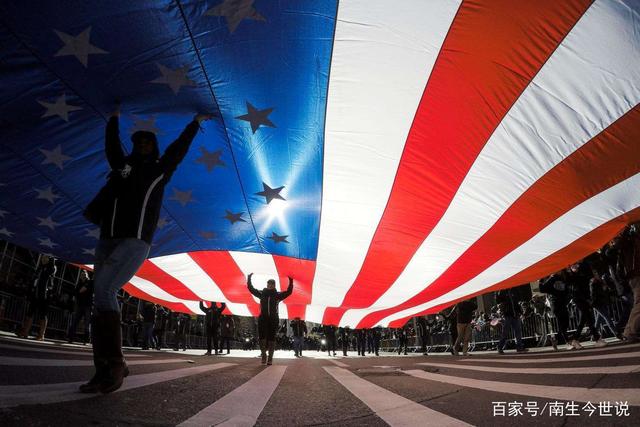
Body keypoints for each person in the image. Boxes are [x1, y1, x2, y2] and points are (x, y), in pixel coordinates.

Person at [78, 102, 214, 393]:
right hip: (107, 238)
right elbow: (112, 148)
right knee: (99, 299)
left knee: (105, 290)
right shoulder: (123, 168)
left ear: (154, 147)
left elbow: (177, 150)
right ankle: (102, 369)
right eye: (138, 142)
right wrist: (113, 117)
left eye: (147, 142)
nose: (142, 145)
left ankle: (116, 364)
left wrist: (195, 123)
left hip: (135, 239)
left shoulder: (159, 171)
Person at [247, 273, 294, 365]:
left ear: (274, 286)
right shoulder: (262, 294)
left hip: (273, 319)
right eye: (269, 284)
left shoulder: (277, 295)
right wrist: (249, 278)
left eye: (272, 284)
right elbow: (251, 289)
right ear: (267, 285)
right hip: (262, 319)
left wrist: (290, 281)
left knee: (272, 338)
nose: (270, 286)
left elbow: (289, 292)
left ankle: (270, 358)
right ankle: (264, 355)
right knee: (262, 337)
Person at [17, 255, 56, 340]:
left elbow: (49, 280)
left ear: (49, 259)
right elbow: (34, 280)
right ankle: (25, 332)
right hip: (35, 294)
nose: (43, 259)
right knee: (30, 313)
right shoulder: (40, 268)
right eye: (42, 257)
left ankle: (41, 334)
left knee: (43, 315)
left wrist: (50, 262)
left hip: (44, 296)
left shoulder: (51, 269)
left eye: (45, 258)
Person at [496, 287, 527, 353]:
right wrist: (497, 293)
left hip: (515, 315)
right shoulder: (502, 291)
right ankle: (500, 347)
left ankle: (519, 347)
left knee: (518, 331)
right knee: (505, 332)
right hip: (507, 315)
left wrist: (521, 313)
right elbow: (498, 301)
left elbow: (516, 304)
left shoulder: (514, 290)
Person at [67, 270, 94, 344]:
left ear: (87, 275)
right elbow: (76, 292)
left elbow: (81, 291)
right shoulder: (79, 283)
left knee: (87, 323)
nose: (83, 275)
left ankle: (86, 340)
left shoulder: (90, 282)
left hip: (88, 305)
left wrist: (78, 292)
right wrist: (78, 292)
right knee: (75, 321)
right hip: (80, 305)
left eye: (84, 274)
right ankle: (70, 338)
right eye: (82, 274)